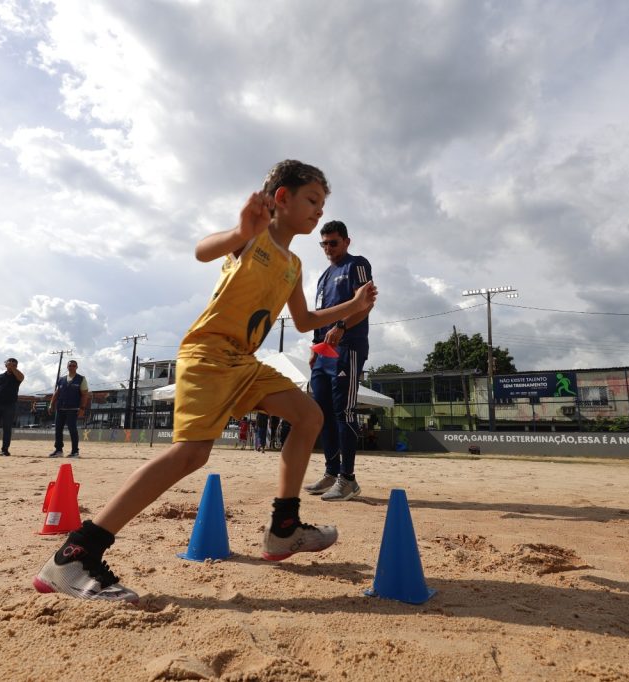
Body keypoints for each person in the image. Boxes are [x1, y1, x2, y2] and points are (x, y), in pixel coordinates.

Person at [33, 160, 377, 602]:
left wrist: (353, 307)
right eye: (312, 200)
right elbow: (202, 250)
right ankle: (76, 554)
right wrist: (239, 231)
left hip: (244, 362)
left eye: (323, 204)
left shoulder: (294, 264)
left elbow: (306, 320)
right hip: (209, 354)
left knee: (309, 416)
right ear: (282, 197)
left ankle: (284, 528)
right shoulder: (253, 236)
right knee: (191, 454)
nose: (319, 210)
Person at [304, 220, 373, 502]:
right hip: (324, 352)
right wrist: (314, 346)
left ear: (346, 241)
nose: (328, 248)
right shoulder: (323, 277)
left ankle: (348, 479)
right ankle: (331, 473)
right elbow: (320, 315)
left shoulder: (356, 264)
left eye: (333, 242)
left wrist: (342, 326)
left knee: (344, 411)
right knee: (323, 413)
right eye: (324, 244)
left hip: (348, 347)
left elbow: (366, 303)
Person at [48, 360, 90, 458]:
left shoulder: (81, 379)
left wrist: (82, 408)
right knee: (58, 429)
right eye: (70, 365)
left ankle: (75, 452)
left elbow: (85, 395)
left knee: (72, 429)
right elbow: (57, 393)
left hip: (73, 408)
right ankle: (58, 450)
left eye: (74, 365)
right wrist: (51, 404)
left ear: (77, 367)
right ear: (67, 367)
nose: (72, 367)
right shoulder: (61, 379)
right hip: (60, 408)